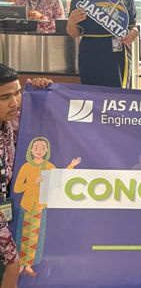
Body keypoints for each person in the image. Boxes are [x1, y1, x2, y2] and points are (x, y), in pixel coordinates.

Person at [0, 63, 52, 287]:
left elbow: (37, 125)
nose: (15, 102)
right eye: (5, 97)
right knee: (12, 266)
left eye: (18, 92)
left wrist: (39, 92)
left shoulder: (9, 124)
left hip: (7, 215)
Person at [66, 0, 138, 88]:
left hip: (119, 54)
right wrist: (71, 21)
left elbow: (133, 26)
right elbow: (74, 33)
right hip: (91, 53)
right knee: (92, 95)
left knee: (119, 97)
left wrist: (134, 33)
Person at [14, 138, 80, 277]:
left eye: (43, 148)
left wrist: (71, 166)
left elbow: (59, 177)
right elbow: (17, 188)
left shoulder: (49, 166)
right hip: (26, 206)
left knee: (36, 236)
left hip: (40, 206)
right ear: (31, 150)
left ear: (47, 151)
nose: (39, 150)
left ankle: (29, 265)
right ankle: (20, 264)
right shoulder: (26, 167)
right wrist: (33, 182)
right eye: (36, 147)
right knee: (23, 235)